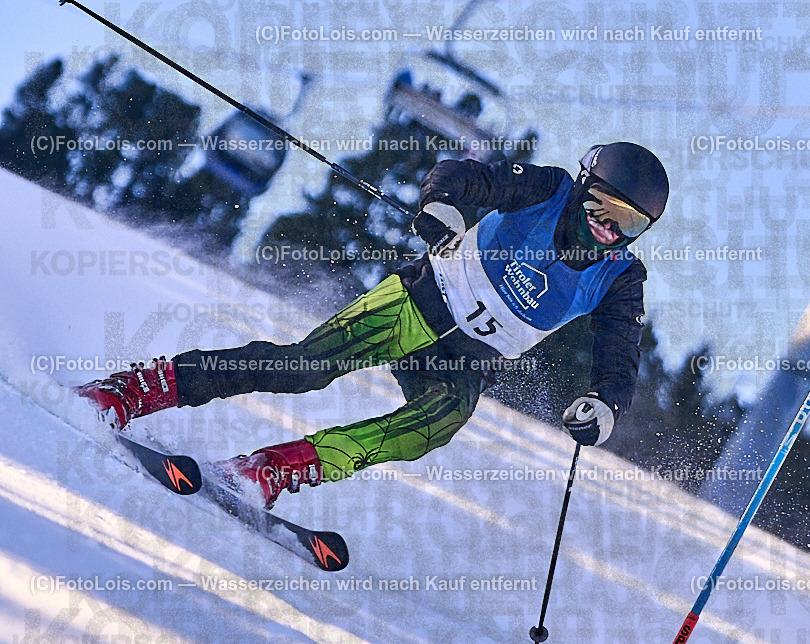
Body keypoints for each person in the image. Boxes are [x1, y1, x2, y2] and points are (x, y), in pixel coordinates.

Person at [76, 142, 670, 508]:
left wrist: (605, 403)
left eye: (629, 224)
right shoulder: (547, 189)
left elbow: (620, 357)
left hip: (464, 361)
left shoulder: (621, 277)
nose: (609, 229)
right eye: (603, 209)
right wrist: (442, 204)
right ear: (585, 187)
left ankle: (274, 468)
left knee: (432, 428)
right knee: (303, 369)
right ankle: (137, 389)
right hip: (419, 303)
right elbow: (466, 177)